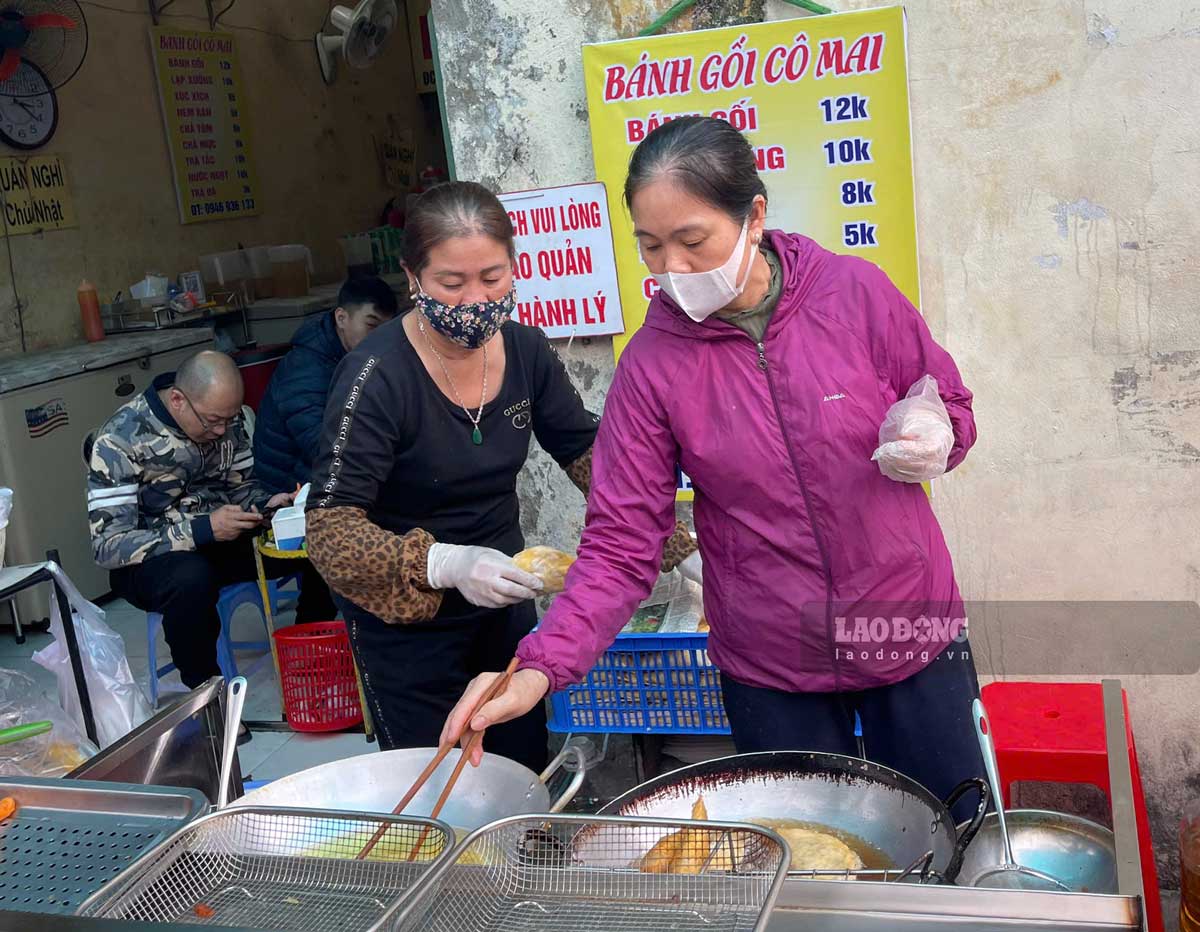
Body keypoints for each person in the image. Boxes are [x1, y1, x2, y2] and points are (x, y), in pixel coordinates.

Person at [443, 117, 985, 816]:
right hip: (772, 663)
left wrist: (938, 432)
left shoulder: (854, 294)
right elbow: (620, 545)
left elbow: (951, 403)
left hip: (908, 625)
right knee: (811, 864)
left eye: (692, 241)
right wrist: (542, 666)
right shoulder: (652, 366)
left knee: (955, 831)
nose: (671, 269)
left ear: (753, 215)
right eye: (650, 246)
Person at [305, 181, 697, 773]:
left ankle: (522, 857)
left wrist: (675, 541)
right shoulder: (376, 376)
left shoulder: (524, 349)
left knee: (514, 759)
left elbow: (587, 451)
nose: (473, 300)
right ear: (413, 279)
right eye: (451, 283)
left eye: (491, 278)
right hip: (408, 620)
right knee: (434, 771)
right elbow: (330, 530)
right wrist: (444, 564)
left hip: (501, 590)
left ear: (514, 268)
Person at [87, 351, 293, 720]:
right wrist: (202, 529)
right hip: (148, 562)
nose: (220, 431)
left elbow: (242, 486)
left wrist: (267, 506)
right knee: (190, 579)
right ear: (178, 400)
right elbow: (108, 546)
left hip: (217, 537)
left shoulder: (225, 420)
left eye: (229, 420)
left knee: (311, 542)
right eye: (213, 421)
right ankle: (206, 700)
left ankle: (308, 665)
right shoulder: (118, 440)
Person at [253, 276, 401, 624]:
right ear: (341, 318)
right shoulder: (305, 370)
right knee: (355, 520)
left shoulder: (358, 357)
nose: (379, 337)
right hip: (288, 489)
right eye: (371, 325)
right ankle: (316, 630)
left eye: (387, 329)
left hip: (319, 474)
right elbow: (325, 447)